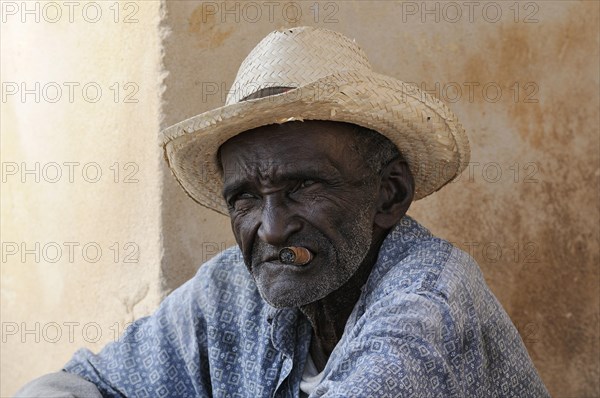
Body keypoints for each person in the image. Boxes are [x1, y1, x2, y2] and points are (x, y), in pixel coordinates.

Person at [16, 26, 549, 397]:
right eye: (245, 198)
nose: (271, 229)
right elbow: (85, 382)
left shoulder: (427, 308)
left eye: (304, 187)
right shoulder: (232, 287)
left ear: (388, 195)